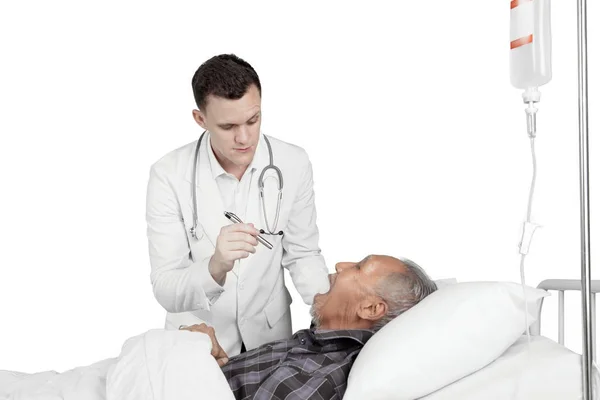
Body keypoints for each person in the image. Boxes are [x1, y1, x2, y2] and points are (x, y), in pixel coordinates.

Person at [145, 54, 330, 357]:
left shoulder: (293, 163)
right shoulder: (167, 175)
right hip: (201, 340)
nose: (244, 138)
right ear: (200, 119)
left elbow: (303, 254)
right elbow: (165, 286)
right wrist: (215, 266)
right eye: (228, 126)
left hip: (270, 339)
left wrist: (331, 312)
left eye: (253, 120)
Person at [181, 254, 438, 400]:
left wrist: (188, 364)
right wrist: (202, 359)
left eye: (358, 267)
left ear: (370, 309)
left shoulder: (321, 378)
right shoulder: (310, 346)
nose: (341, 265)